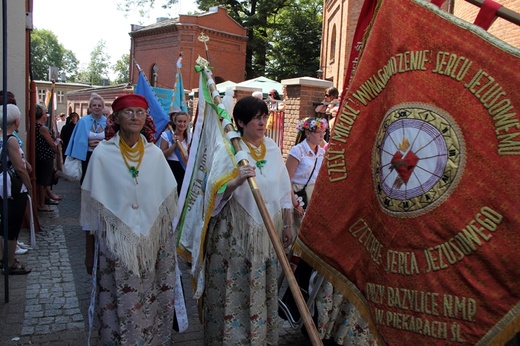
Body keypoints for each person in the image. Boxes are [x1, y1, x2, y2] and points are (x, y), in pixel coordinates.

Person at [81, 94, 187, 344]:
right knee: (121, 298)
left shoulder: (154, 155)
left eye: (140, 112)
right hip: (117, 244)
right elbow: (92, 210)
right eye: (128, 112)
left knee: (154, 295)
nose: (134, 116)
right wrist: (88, 252)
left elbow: (167, 203)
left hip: (154, 246)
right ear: (116, 118)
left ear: (146, 118)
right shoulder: (102, 155)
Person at [202, 96, 294, 345]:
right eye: (256, 118)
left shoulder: (273, 149)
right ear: (241, 121)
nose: (262, 122)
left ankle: (260, 337)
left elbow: (284, 190)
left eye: (264, 117)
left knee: (263, 287)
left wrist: (287, 223)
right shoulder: (230, 149)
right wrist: (236, 180)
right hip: (235, 236)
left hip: (267, 234)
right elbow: (212, 191)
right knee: (235, 287)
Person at [0, 104, 32, 274]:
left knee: (3, 223)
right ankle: (10, 262)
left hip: (3, 186)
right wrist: (29, 186)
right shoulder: (10, 139)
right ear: (16, 121)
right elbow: (19, 168)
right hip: (13, 187)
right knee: (12, 224)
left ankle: (3, 257)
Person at [286, 117, 328, 232]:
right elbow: (286, 178)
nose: (321, 136)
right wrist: (295, 203)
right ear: (308, 133)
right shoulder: (297, 151)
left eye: (323, 132)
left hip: (313, 195)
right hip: (298, 193)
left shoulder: (321, 152)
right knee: (296, 230)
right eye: (318, 132)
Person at [65, 93, 107, 184]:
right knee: (85, 181)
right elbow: (77, 140)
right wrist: (87, 143)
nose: (97, 107)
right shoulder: (83, 121)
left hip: (102, 156)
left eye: (99, 105)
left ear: (103, 107)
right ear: (90, 107)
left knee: (100, 181)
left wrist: (101, 143)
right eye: (94, 105)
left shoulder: (107, 121)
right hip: (86, 155)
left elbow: (111, 139)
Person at [35, 103, 58, 212]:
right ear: (41, 115)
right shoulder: (42, 128)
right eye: (45, 113)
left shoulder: (35, 126)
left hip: (40, 156)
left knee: (42, 181)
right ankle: (41, 204)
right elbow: (51, 144)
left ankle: (44, 200)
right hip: (45, 157)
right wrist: (56, 149)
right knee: (43, 182)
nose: (46, 115)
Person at [159, 111, 189, 195]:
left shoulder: (189, 137)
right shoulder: (166, 135)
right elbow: (163, 155)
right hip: (170, 168)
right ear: (175, 122)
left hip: (184, 169)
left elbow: (190, 156)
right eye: (179, 121)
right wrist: (175, 144)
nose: (182, 124)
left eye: (184, 121)